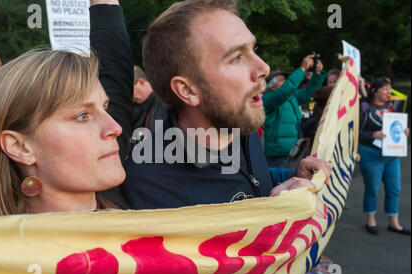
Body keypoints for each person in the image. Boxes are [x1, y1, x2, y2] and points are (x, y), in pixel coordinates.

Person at [120, 0, 332, 210]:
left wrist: (291, 177)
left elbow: (251, 178)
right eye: (236, 58)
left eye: (253, 49)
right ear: (187, 90)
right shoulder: (151, 192)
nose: (264, 68)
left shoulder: (237, 120)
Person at [0, 0, 133, 216]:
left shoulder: (126, 212)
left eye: (106, 108)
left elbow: (114, 62)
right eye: (82, 116)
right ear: (19, 147)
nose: (115, 127)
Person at [359, 76, 410, 235]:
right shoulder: (365, 107)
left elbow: (396, 127)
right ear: (374, 90)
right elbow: (356, 133)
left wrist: (404, 132)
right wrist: (372, 134)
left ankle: (393, 222)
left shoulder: (392, 107)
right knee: (373, 189)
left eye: (390, 88)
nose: (389, 92)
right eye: (385, 89)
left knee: (394, 189)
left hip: (391, 155)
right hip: (370, 153)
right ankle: (370, 220)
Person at [262, 55, 327, 168]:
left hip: (294, 152)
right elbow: (284, 91)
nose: (286, 82)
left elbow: (309, 92)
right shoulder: (268, 99)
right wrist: (302, 69)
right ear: (271, 86)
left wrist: (317, 74)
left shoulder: (291, 97)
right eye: (281, 80)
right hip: (277, 156)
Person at [131, 65, 169, 133]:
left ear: (141, 82)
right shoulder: (129, 107)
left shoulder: (164, 102)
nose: (125, 91)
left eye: (129, 86)